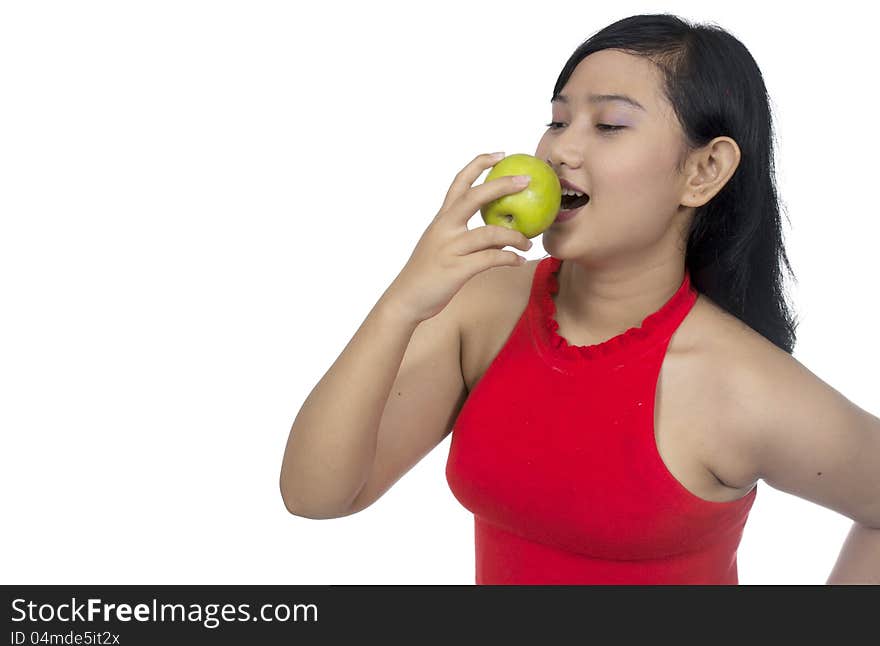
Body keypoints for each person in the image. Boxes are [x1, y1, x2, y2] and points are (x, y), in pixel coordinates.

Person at [279, 13, 880, 584]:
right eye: (558, 120)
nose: (559, 152)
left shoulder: (741, 383)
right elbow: (316, 496)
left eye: (610, 125)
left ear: (703, 171)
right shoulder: (486, 309)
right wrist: (402, 303)